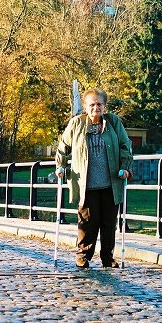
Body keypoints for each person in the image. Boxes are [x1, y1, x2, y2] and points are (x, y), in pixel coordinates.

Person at [55, 88, 133, 268]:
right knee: (88, 223)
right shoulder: (76, 124)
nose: (95, 108)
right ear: (85, 106)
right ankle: (83, 255)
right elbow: (63, 147)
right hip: (86, 185)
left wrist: (125, 167)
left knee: (108, 224)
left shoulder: (113, 122)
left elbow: (125, 146)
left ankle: (107, 257)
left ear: (105, 106)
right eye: (92, 105)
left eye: (99, 104)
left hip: (110, 183)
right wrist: (61, 166)